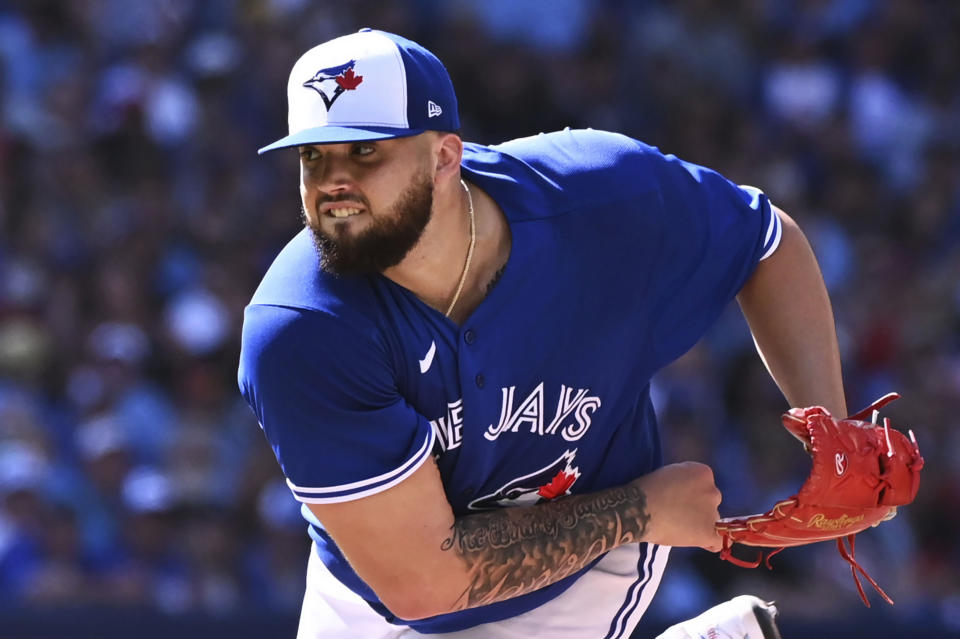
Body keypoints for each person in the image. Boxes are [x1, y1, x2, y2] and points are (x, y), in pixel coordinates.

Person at [238, 28, 845, 639]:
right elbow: (422, 582)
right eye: (313, 157)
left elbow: (767, 245)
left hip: (581, 569)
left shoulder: (599, 198)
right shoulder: (300, 326)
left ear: (444, 157)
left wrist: (836, 439)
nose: (331, 184)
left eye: (365, 153)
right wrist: (642, 510)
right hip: (381, 585)